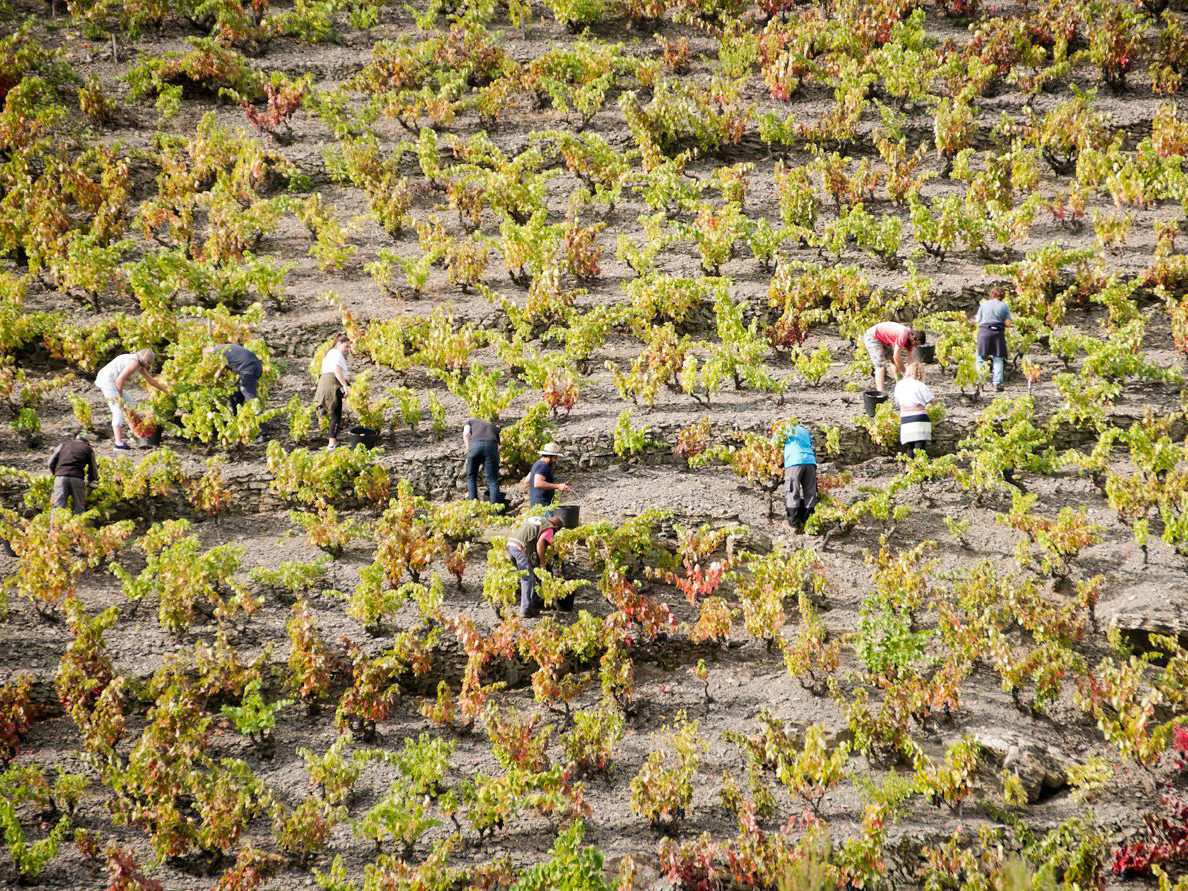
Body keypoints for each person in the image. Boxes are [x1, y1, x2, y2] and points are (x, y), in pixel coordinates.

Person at [94, 349, 169, 451]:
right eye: (149, 363)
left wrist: (167, 392)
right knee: (118, 411)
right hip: (107, 381)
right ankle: (118, 444)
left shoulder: (139, 365)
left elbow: (151, 381)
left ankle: (136, 433)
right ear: (144, 360)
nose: (149, 366)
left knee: (129, 402)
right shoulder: (133, 363)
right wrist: (119, 398)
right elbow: (119, 381)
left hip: (111, 381)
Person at [506, 515, 565, 618]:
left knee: (530, 574)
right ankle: (525, 610)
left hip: (510, 545)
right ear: (556, 528)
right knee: (527, 579)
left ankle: (533, 604)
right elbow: (540, 544)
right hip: (519, 548)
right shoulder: (550, 528)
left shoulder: (539, 520)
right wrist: (542, 563)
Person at [862, 322, 923, 394]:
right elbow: (897, 356)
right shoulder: (903, 333)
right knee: (880, 366)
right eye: (916, 343)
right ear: (913, 336)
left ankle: (899, 382)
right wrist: (906, 373)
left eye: (917, 345)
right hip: (872, 337)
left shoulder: (911, 341)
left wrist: (912, 374)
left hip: (884, 340)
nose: (915, 345)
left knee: (893, 360)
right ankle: (880, 393)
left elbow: (910, 360)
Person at [49, 431, 99, 516]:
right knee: (79, 508)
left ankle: (55, 528)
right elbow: (93, 469)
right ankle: (79, 527)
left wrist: (56, 473)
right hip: (77, 478)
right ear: (86, 441)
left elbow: (51, 462)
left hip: (60, 477)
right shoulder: (88, 449)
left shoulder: (63, 445)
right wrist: (91, 480)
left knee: (58, 507)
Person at [203, 343, 264, 413]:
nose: (210, 362)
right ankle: (238, 417)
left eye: (208, 359)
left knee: (246, 391)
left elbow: (219, 371)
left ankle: (260, 420)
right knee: (235, 395)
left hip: (249, 368)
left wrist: (212, 382)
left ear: (209, 354)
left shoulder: (217, 352)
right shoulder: (223, 348)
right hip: (255, 366)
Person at [315, 333, 351, 450]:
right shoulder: (336, 353)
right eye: (346, 346)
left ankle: (332, 442)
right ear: (339, 344)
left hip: (325, 383)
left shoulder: (330, 353)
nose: (348, 350)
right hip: (331, 384)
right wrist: (345, 386)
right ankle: (331, 444)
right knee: (336, 415)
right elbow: (337, 370)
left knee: (334, 414)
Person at [782, 423, 817, 534]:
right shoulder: (804, 431)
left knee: (792, 490)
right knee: (810, 492)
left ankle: (793, 524)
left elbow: (775, 443)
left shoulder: (784, 429)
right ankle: (808, 523)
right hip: (810, 461)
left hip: (794, 461)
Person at [974, 290, 1012, 392]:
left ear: (991, 295)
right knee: (998, 358)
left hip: (984, 332)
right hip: (997, 334)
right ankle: (997, 383)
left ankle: (980, 382)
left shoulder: (984, 304)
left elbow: (977, 320)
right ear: (1002, 296)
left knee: (980, 358)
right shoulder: (1004, 306)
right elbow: (1008, 323)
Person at [893, 363, 935, 454]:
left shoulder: (899, 385)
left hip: (905, 417)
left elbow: (896, 401)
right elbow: (932, 400)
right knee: (920, 448)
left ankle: (910, 467)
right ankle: (920, 467)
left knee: (910, 447)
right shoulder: (920, 385)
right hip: (919, 418)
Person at [463, 417, 501, 505]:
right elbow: (498, 447)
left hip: (474, 445)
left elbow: (466, 434)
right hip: (491, 447)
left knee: (471, 477)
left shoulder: (470, 421)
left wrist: (469, 450)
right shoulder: (493, 427)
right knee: (492, 480)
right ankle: (495, 511)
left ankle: (473, 509)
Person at [527, 442, 571, 509]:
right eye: (555, 457)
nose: (556, 461)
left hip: (535, 505)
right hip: (543, 506)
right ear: (549, 456)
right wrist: (558, 486)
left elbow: (527, 480)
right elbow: (538, 483)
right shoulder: (543, 466)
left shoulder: (536, 464)